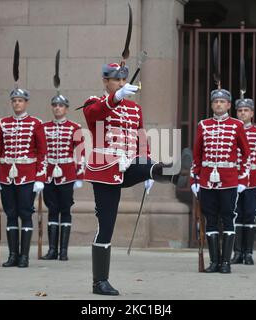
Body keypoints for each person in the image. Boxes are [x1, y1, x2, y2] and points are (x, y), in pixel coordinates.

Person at [82, 62, 192, 295]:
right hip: (105, 171)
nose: (122, 84)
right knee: (106, 225)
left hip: (130, 165)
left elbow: (141, 138)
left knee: (147, 164)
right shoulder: (94, 103)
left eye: (123, 80)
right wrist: (116, 97)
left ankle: (170, 174)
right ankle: (99, 282)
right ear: (106, 81)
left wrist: (149, 168)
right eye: (116, 80)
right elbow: (95, 115)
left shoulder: (134, 109)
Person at [190, 88, 251, 274]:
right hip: (207, 179)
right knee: (211, 220)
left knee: (228, 218)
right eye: (216, 102)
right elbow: (197, 155)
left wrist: (242, 178)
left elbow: (246, 154)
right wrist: (195, 179)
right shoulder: (203, 125)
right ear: (211, 105)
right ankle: (214, 262)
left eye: (222, 102)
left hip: (229, 179)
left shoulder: (236, 125)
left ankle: (226, 263)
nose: (219, 104)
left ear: (229, 105)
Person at [0, 87, 47, 268]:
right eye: (14, 101)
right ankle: (13, 255)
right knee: (11, 215)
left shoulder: (36, 123)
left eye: (20, 100)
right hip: (6, 176)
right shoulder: (3, 123)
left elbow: (43, 153)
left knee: (25, 214)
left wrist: (40, 177)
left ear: (26, 103)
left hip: (27, 176)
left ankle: (24, 256)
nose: (17, 103)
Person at [41, 93, 85, 261]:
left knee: (65, 210)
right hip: (49, 174)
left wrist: (79, 174)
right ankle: (52, 250)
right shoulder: (44, 127)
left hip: (67, 174)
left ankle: (63, 251)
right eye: (54, 105)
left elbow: (81, 151)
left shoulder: (75, 127)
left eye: (60, 105)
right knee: (52, 209)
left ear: (66, 108)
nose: (57, 108)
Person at [231, 98, 256, 265]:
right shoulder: (231, 130)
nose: (242, 113)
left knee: (250, 215)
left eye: (246, 110)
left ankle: (248, 253)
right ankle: (237, 253)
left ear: (252, 113)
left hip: (252, 182)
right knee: (235, 216)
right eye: (240, 111)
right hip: (233, 181)